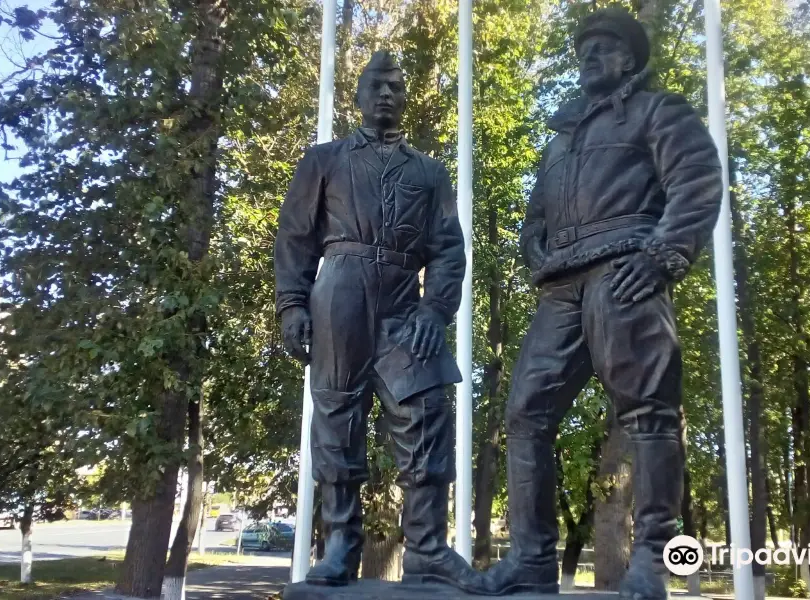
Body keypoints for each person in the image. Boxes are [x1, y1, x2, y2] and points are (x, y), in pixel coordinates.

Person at [484, 8, 723, 598]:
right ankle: (534, 560)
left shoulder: (658, 110)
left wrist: (663, 255)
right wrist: (533, 250)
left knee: (648, 413)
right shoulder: (561, 137)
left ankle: (650, 558)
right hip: (562, 285)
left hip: (626, 267)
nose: (590, 55)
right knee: (524, 415)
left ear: (629, 59)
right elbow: (536, 212)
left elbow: (695, 180)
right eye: (584, 47)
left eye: (605, 46)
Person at [274, 50, 481, 592]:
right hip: (339, 289)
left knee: (427, 411)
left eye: (394, 85)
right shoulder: (324, 159)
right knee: (337, 417)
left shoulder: (429, 171)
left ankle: (428, 548)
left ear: (404, 96)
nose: (385, 93)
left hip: (404, 301)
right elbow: (295, 237)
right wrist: (292, 304)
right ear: (359, 94)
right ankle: (341, 544)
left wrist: (436, 310)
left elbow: (448, 250)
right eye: (376, 85)